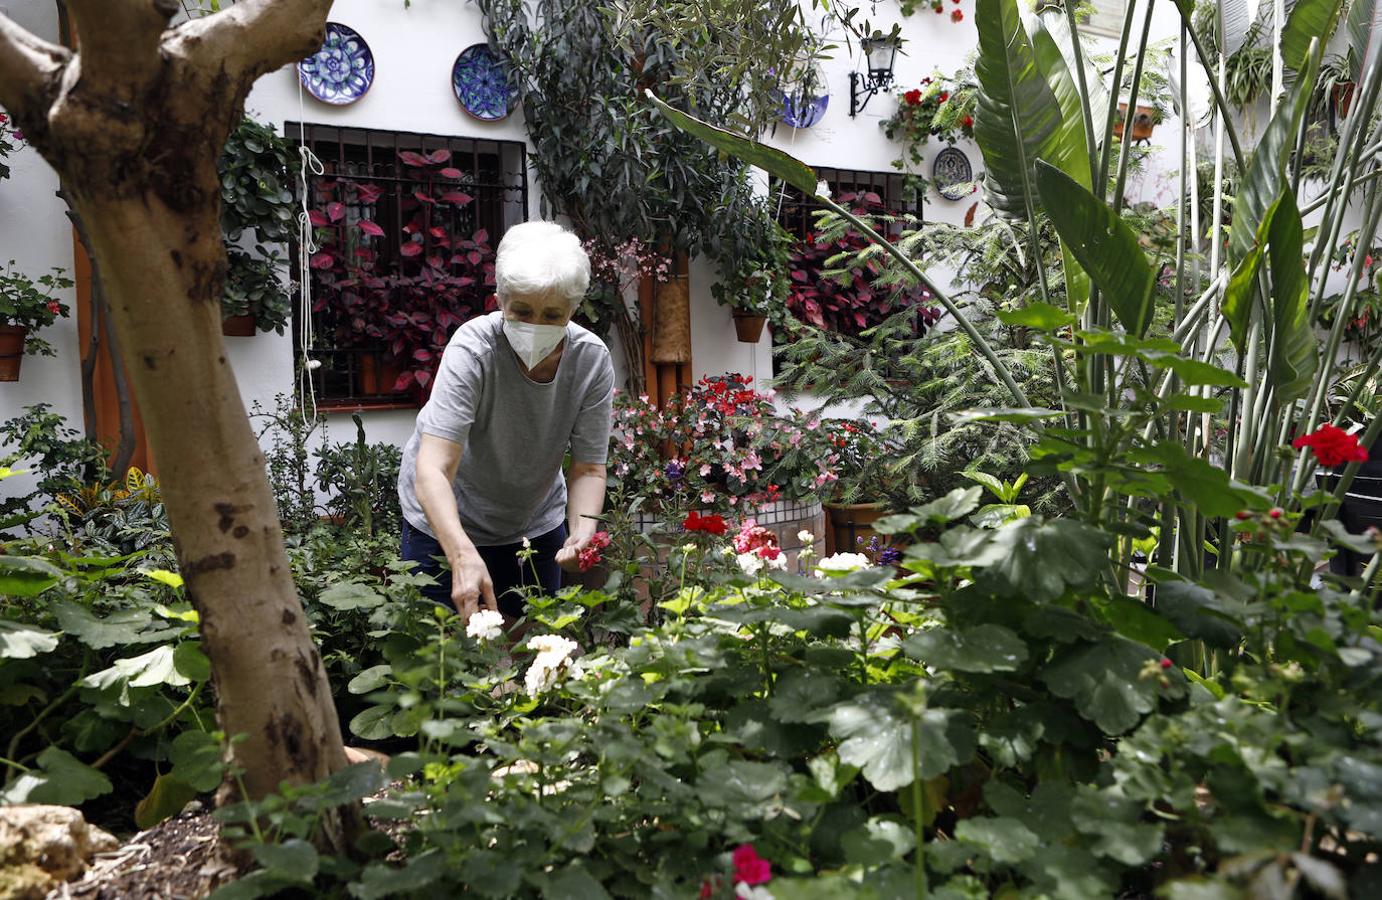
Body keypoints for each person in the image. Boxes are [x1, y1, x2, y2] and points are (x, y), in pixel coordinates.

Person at [397, 220, 614, 625]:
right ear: (499, 300)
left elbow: (588, 467)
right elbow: (433, 469)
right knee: (446, 664)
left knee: (535, 651)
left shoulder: (591, 360)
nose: (536, 326)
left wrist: (583, 531)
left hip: (534, 524)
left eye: (552, 315)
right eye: (522, 311)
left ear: (573, 309)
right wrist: (461, 554)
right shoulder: (473, 350)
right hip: (444, 523)